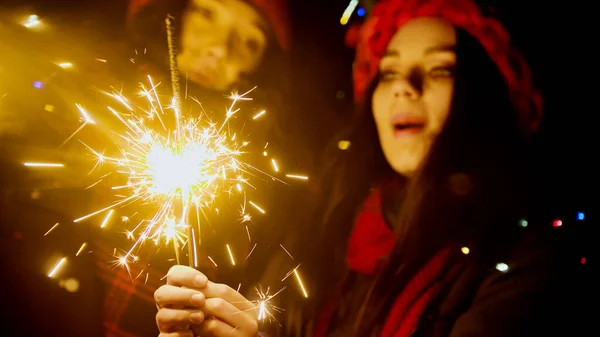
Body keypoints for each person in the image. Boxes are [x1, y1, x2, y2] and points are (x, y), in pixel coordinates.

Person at [153, 0, 588, 336]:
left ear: (486, 95)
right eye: (390, 71)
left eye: (439, 70)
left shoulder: (528, 257)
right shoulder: (326, 224)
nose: (404, 88)